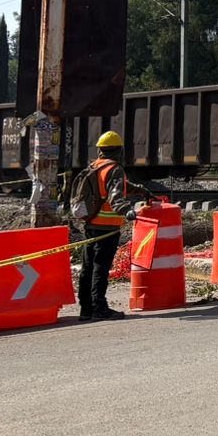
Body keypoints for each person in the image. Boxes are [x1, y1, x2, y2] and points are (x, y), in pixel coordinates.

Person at [69, 131, 136, 320]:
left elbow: (119, 186)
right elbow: (115, 195)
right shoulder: (115, 168)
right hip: (107, 228)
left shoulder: (95, 166)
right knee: (100, 268)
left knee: (88, 266)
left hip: (91, 224)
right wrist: (127, 211)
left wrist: (141, 191)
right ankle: (100, 308)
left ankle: (86, 309)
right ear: (118, 150)